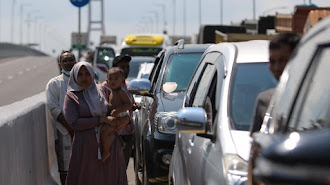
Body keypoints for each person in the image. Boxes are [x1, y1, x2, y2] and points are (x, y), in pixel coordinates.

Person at [63, 62, 130, 185]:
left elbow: (115, 110)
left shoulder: (103, 90)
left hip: (110, 145)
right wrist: (101, 120)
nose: (84, 78)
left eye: (87, 74)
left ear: (92, 74)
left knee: (110, 178)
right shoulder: (72, 96)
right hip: (86, 148)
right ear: (75, 77)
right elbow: (74, 123)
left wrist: (121, 120)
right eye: (80, 74)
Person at [250, 32, 301, 136]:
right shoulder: (265, 101)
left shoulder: (317, 101)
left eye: (283, 61)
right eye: (272, 61)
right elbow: (256, 144)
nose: (277, 68)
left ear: (299, 59)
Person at [101, 55, 140, 168]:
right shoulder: (106, 87)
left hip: (127, 132)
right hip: (113, 133)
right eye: (122, 67)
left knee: (123, 167)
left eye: (127, 67)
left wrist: (133, 106)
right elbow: (104, 108)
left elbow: (128, 104)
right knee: (110, 168)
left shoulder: (127, 86)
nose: (125, 70)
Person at [45, 50, 76, 185]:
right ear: (60, 64)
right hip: (64, 133)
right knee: (66, 170)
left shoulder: (83, 80)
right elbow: (53, 108)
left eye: (71, 59)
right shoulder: (54, 83)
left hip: (83, 132)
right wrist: (70, 128)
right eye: (65, 60)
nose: (68, 62)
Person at [100, 67, 133, 162]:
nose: (113, 81)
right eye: (110, 79)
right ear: (106, 80)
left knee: (105, 131)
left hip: (122, 117)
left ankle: (106, 152)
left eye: (116, 78)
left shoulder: (121, 92)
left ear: (122, 80)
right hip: (117, 116)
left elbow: (129, 104)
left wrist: (118, 111)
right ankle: (118, 145)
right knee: (108, 131)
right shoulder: (112, 91)